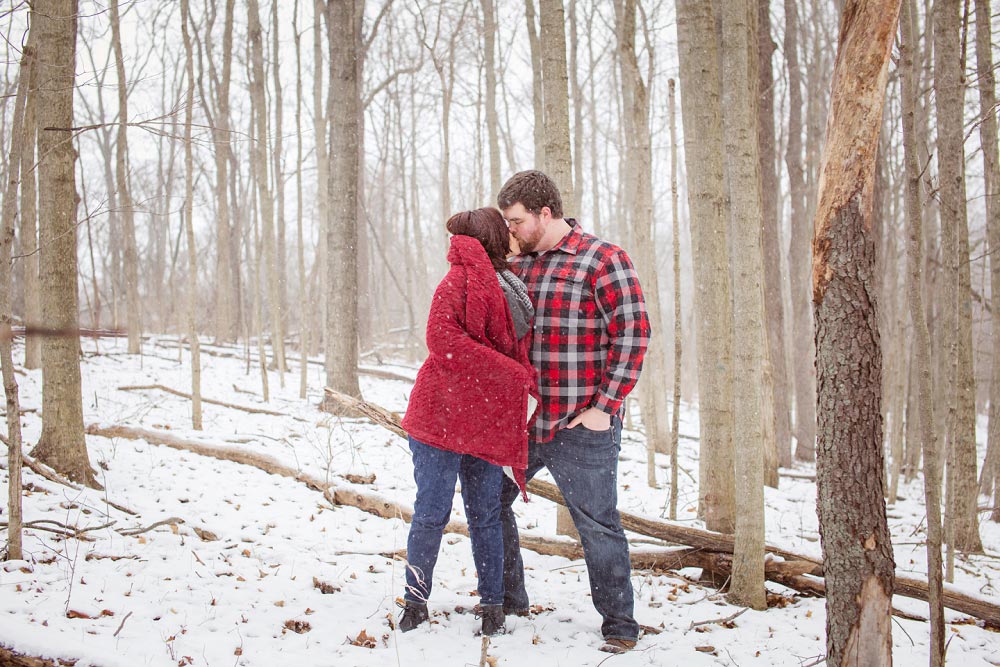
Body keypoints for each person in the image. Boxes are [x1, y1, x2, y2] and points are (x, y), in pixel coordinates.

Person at [497, 170, 650, 654]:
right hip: (522, 422)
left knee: (597, 524)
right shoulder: (515, 264)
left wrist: (606, 407)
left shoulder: (602, 259)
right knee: (487, 503)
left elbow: (633, 333)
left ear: (546, 213)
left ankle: (620, 625)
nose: (511, 229)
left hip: (581, 422)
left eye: (517, 220)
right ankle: (508, 600)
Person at [398, 207, 538, 637]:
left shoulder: (509, 285)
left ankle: (493, 607)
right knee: (431, 514)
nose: (513, 237)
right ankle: (415, 605)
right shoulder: (457, 280)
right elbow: (442, 341)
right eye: (506, 230)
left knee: (484, 516)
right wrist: (510, 375)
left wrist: (512, 381)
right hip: (439, 419)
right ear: (495, 237)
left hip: (481, 422)